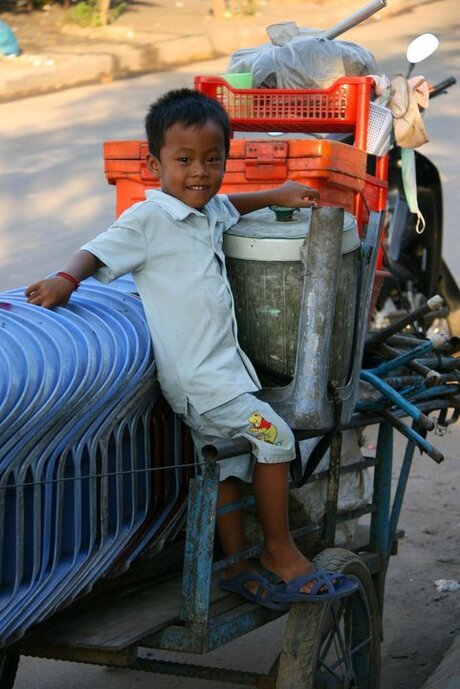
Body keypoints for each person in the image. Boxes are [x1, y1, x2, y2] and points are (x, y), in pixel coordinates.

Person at [25, 88, 357, 609]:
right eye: (184, 161)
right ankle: (280, 550)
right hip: (202, 381)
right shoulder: (149, 219)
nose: (199, 172)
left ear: (226, 159)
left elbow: (232, 204)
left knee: (226, 468)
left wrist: (277, 193)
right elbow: (97, 248)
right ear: (156, 164)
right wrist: (65, 279)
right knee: (276, 439)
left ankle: (238, 565)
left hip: (221, 375)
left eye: (212, 159)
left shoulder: (207, 210)